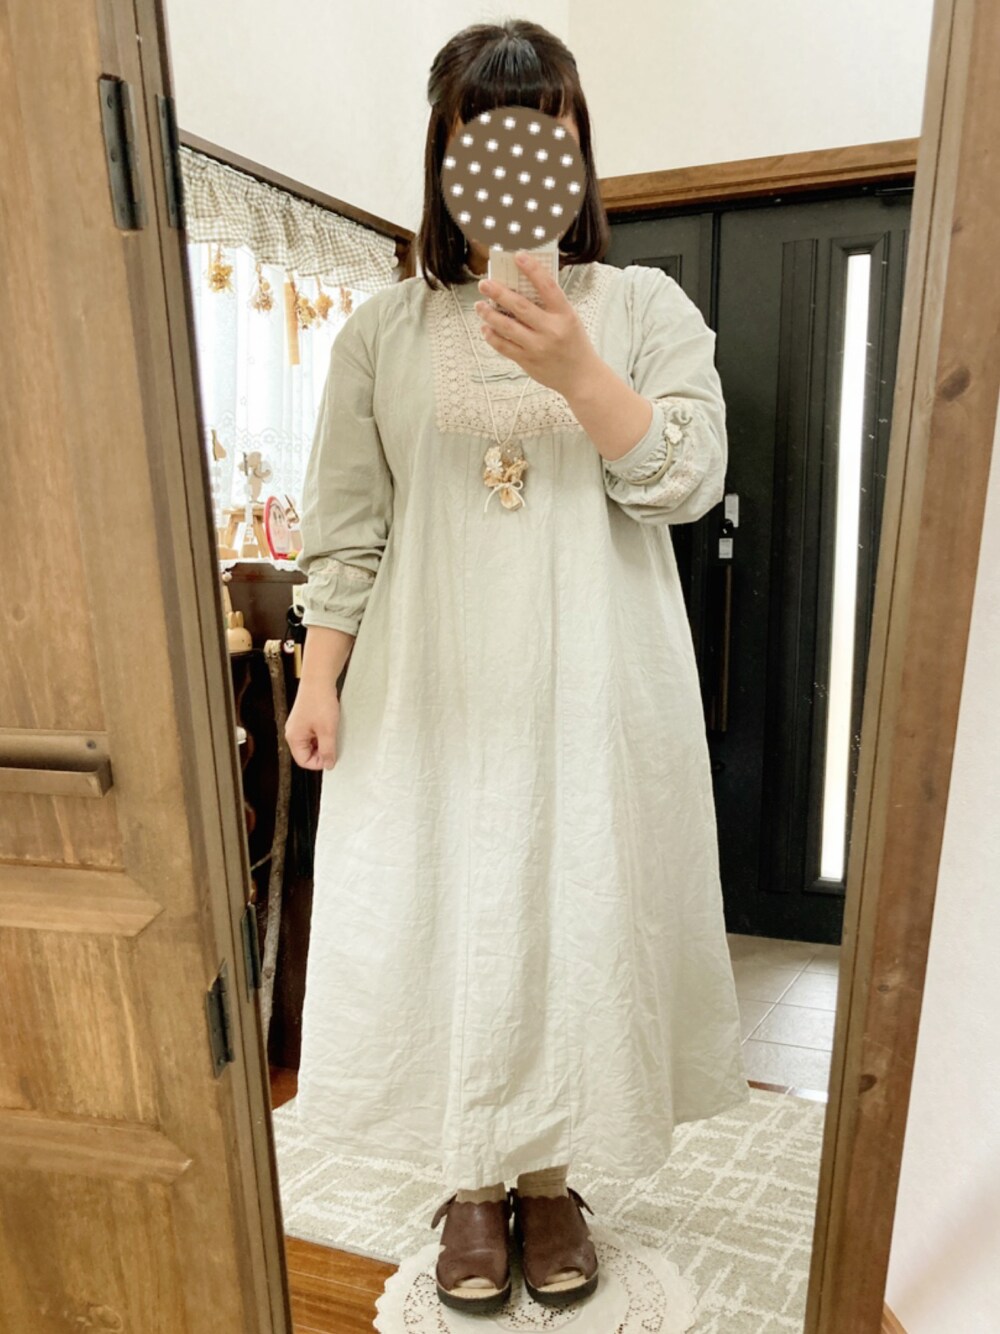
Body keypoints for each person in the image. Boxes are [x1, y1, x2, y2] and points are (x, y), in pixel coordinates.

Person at [284, 17, 750, 1316]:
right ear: (444, 155)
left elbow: (685, 480)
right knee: (446, 912)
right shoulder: (381, 331)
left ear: (577, 150)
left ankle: (551, 1179)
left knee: (576, 913)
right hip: (429, 692)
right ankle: (471, 1184)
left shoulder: (645, 311)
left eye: (545, 130)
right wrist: (318, 678)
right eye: (483, 134)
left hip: (593, 688)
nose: (515, 156)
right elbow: (348, 525)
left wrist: (579, 369)